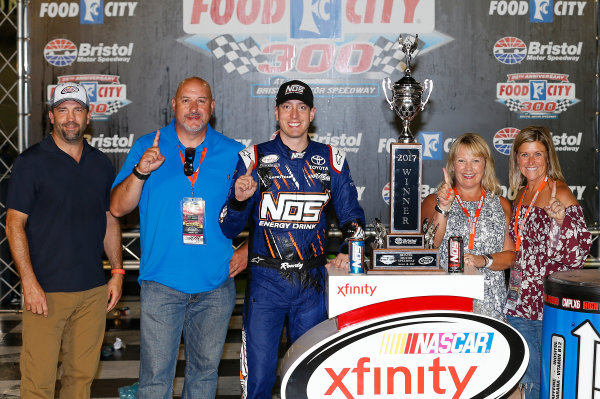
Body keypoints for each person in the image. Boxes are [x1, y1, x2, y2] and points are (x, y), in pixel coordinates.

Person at [219, 79, 366, 399]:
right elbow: (229, 229)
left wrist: (349, 248)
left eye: (302, 107)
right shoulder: (252, 158)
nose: (294, 114)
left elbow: (353, 218)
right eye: (287, 106)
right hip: (265, 283)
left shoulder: (332, 159)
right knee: (257, 381)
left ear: (312, 113)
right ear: (276, 112)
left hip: (311, 285)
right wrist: (238, 201)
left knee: (308, 380)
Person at [110, 76, 247, 398]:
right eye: (186, 100)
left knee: (204, 376)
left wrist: (247, 248)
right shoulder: (148, 146)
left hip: (215, 285)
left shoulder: (235, 153)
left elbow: (263, 212)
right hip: (162, 283)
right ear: (174, 105)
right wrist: (141, 172)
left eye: (201, 101)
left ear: (212, 108)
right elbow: (116, 208)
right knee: (155, 379)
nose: (194, 108)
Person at [5, 82, 123, 398]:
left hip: (92, 293)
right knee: (38, 384)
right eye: (63, 110)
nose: (70, 117)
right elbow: (14, 225)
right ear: (51, 116)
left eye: (77, 110)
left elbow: (110, 218)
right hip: (46, 293)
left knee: (80, 380)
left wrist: (117, 271)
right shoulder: (30, 162)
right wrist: (28, 283)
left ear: (88, 117)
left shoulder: (100, 163)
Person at [506, 125, 591, 399]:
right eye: (525, 155)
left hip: (546, 305)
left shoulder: (560, 191)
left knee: (547, 384)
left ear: (548, 157)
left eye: (538, 155)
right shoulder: (521, 194)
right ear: (516, 159)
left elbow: (579, 252)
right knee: (525, 381)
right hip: (519, 302)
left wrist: (559, 220)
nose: (531, 162)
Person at [421, 133, 515, 320]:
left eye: (475, 160)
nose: (468, 168)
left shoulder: (501, 204)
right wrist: (443, 208)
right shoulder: (433, 201)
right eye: (462, 160)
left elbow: (511, 256)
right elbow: (427, 248)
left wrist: (483, 260)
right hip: (446, 302)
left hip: (492, 305)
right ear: (453, 166)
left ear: (485, 164)